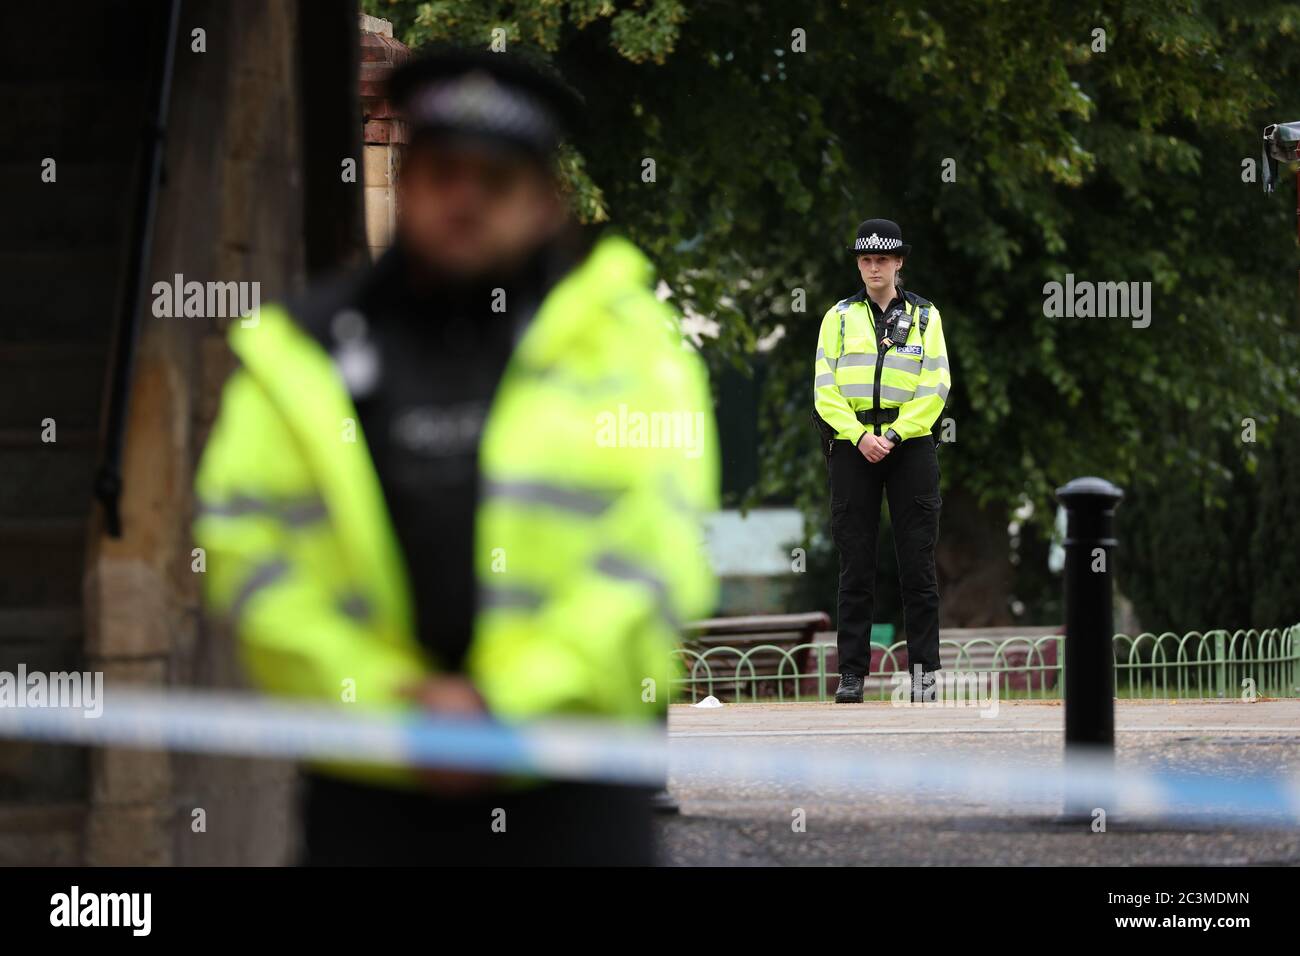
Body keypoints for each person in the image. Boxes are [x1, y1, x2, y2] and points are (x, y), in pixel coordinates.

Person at [193, 47, 719, 864]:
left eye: (496, 180)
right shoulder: (302, 354)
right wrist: (390, 710)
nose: (466, 200)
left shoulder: (627, 352)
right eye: (444, 174)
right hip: (371, 791)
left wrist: (504, 708)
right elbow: (251, 559)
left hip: (570, 790)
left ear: (547, 201)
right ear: (405, 184)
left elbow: (654, 561)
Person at [811, 218, 952, 704]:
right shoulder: (838, 317)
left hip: (908, 443)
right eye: (866, 259)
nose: (874, 266)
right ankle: (852, 676)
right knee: (856, 565)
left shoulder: (925, 317)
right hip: (852, 444)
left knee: (917, 564)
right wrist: (858, 435)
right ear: (858, 263)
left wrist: (892, 433)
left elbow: (936, 387)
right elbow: (824, 391)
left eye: (883, 259)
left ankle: (924, 675)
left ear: (899, 263)